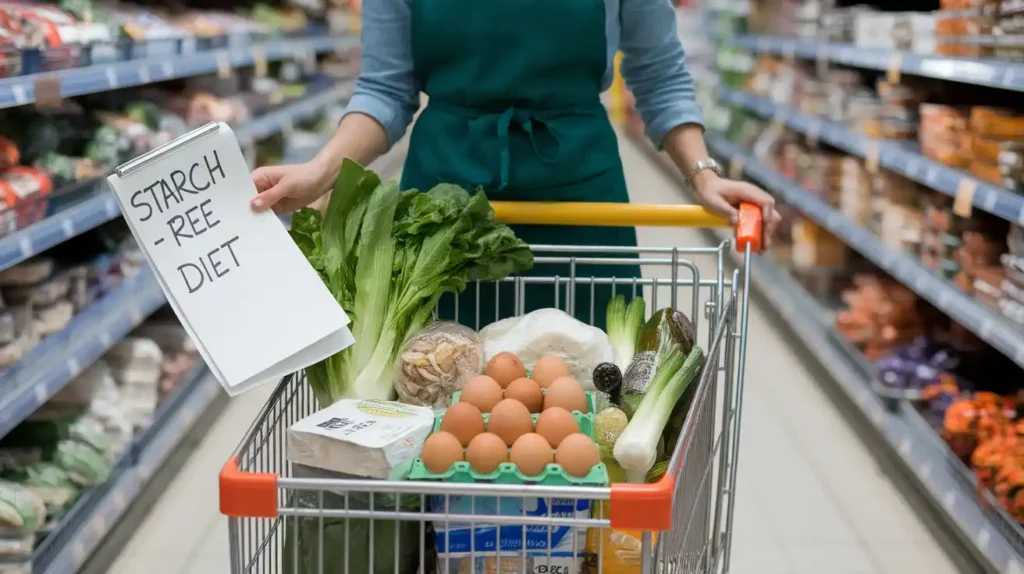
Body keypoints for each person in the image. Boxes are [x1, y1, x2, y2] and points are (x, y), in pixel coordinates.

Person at [251, 0, 781, 329]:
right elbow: (386, 86)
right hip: (444, 210)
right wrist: (322, 170)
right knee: (439, 393)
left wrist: (703, 173)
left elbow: (659, 71)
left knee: (595, 398)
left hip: (581, 201)